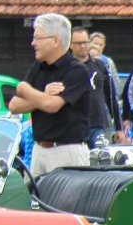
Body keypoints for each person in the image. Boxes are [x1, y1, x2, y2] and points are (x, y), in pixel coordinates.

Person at [8, 13, 93, 175]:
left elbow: (51, 105)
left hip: (67, 152)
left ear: (55, 41)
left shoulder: (76, 70)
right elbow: (14, 106)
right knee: (33, 192)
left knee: (64, 193)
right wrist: (43, 94)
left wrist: (24, 88)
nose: (33, 43)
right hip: (39, 149)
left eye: (37, 38)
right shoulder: (38, 67)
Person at [69, 25, 117, 147]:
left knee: (101, 156)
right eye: (78, 43)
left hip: (98, 125)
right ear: (70, 45)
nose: (83, 46)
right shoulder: (66, 68)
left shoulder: (100, 65)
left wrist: (119, 127)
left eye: (85, 42)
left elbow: (111, 97)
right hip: (74, 127)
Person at [88, 29, 123, 132]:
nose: (98, 47)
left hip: (104, 108)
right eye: (96, 43)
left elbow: (115, 84)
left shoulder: (108, 62)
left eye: (101, 44)